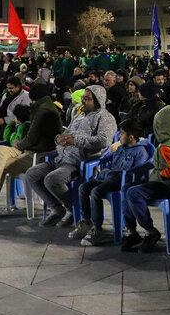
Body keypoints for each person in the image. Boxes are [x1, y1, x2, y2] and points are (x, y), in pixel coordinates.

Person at [0, 83, 63, 220]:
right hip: (31, 151)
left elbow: (31, 138)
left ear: (33, 97)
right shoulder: (44, 107)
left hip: (38, 156)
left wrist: (19, 144)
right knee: (0, 151)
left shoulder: (43, 111)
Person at [25, 84, 116, 227]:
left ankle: (73, 210)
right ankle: (56, 208)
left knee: (52, 179)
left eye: (87, 98)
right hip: (61, 157)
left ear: (97, 100)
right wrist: (59, 139)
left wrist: (75, 141)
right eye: (83, 98)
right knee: (31, 174)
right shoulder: (79, 115)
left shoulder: (104, 118)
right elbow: (68, 133)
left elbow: (103, 141)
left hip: (78, 161)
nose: (83, 101)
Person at [69, 119, 151, 246]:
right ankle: (86, 221)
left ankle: (97, 229)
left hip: (120, 182)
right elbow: (111, 160)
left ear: (131, 137)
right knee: (83, 187)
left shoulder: (140, 151)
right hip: (108, 178)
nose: (119, 136)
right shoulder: (120, 148)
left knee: (96, 191)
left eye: (122, 134)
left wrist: (114, 174)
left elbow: (137, 172)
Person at [121, 105, 170, 253]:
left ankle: (150, 231)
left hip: (167, 185)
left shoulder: (168, 147)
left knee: (133, 193)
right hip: (160, 181)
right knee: (126, 188)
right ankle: (132, 232)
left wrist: (163, 173)